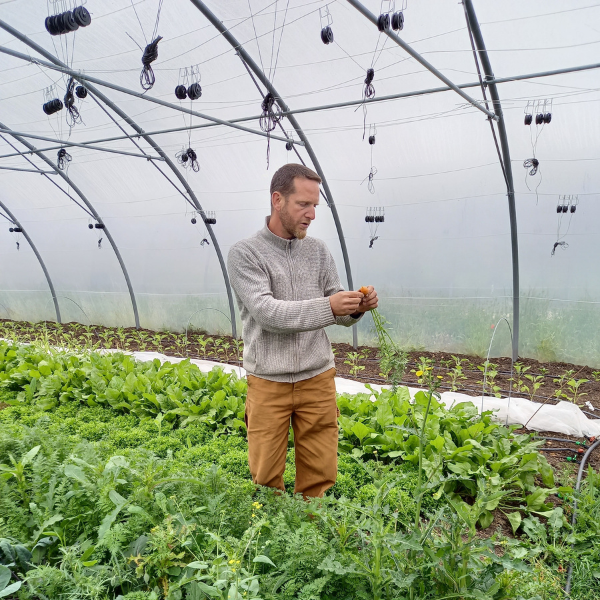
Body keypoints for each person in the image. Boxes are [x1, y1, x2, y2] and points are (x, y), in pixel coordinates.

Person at [227, 163, 378, 498]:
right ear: (277, 200)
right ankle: (275, 539)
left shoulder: (318, 250)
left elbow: (334, 305)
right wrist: (330, 307)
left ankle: (311, 535)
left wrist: (356, 309)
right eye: (303, 205)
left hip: (317, 378)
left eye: (315, 206)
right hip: (269, 381)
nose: (311, 214)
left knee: (320, 474)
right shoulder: (245, 253)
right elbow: (267, 313)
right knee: (266, 477)